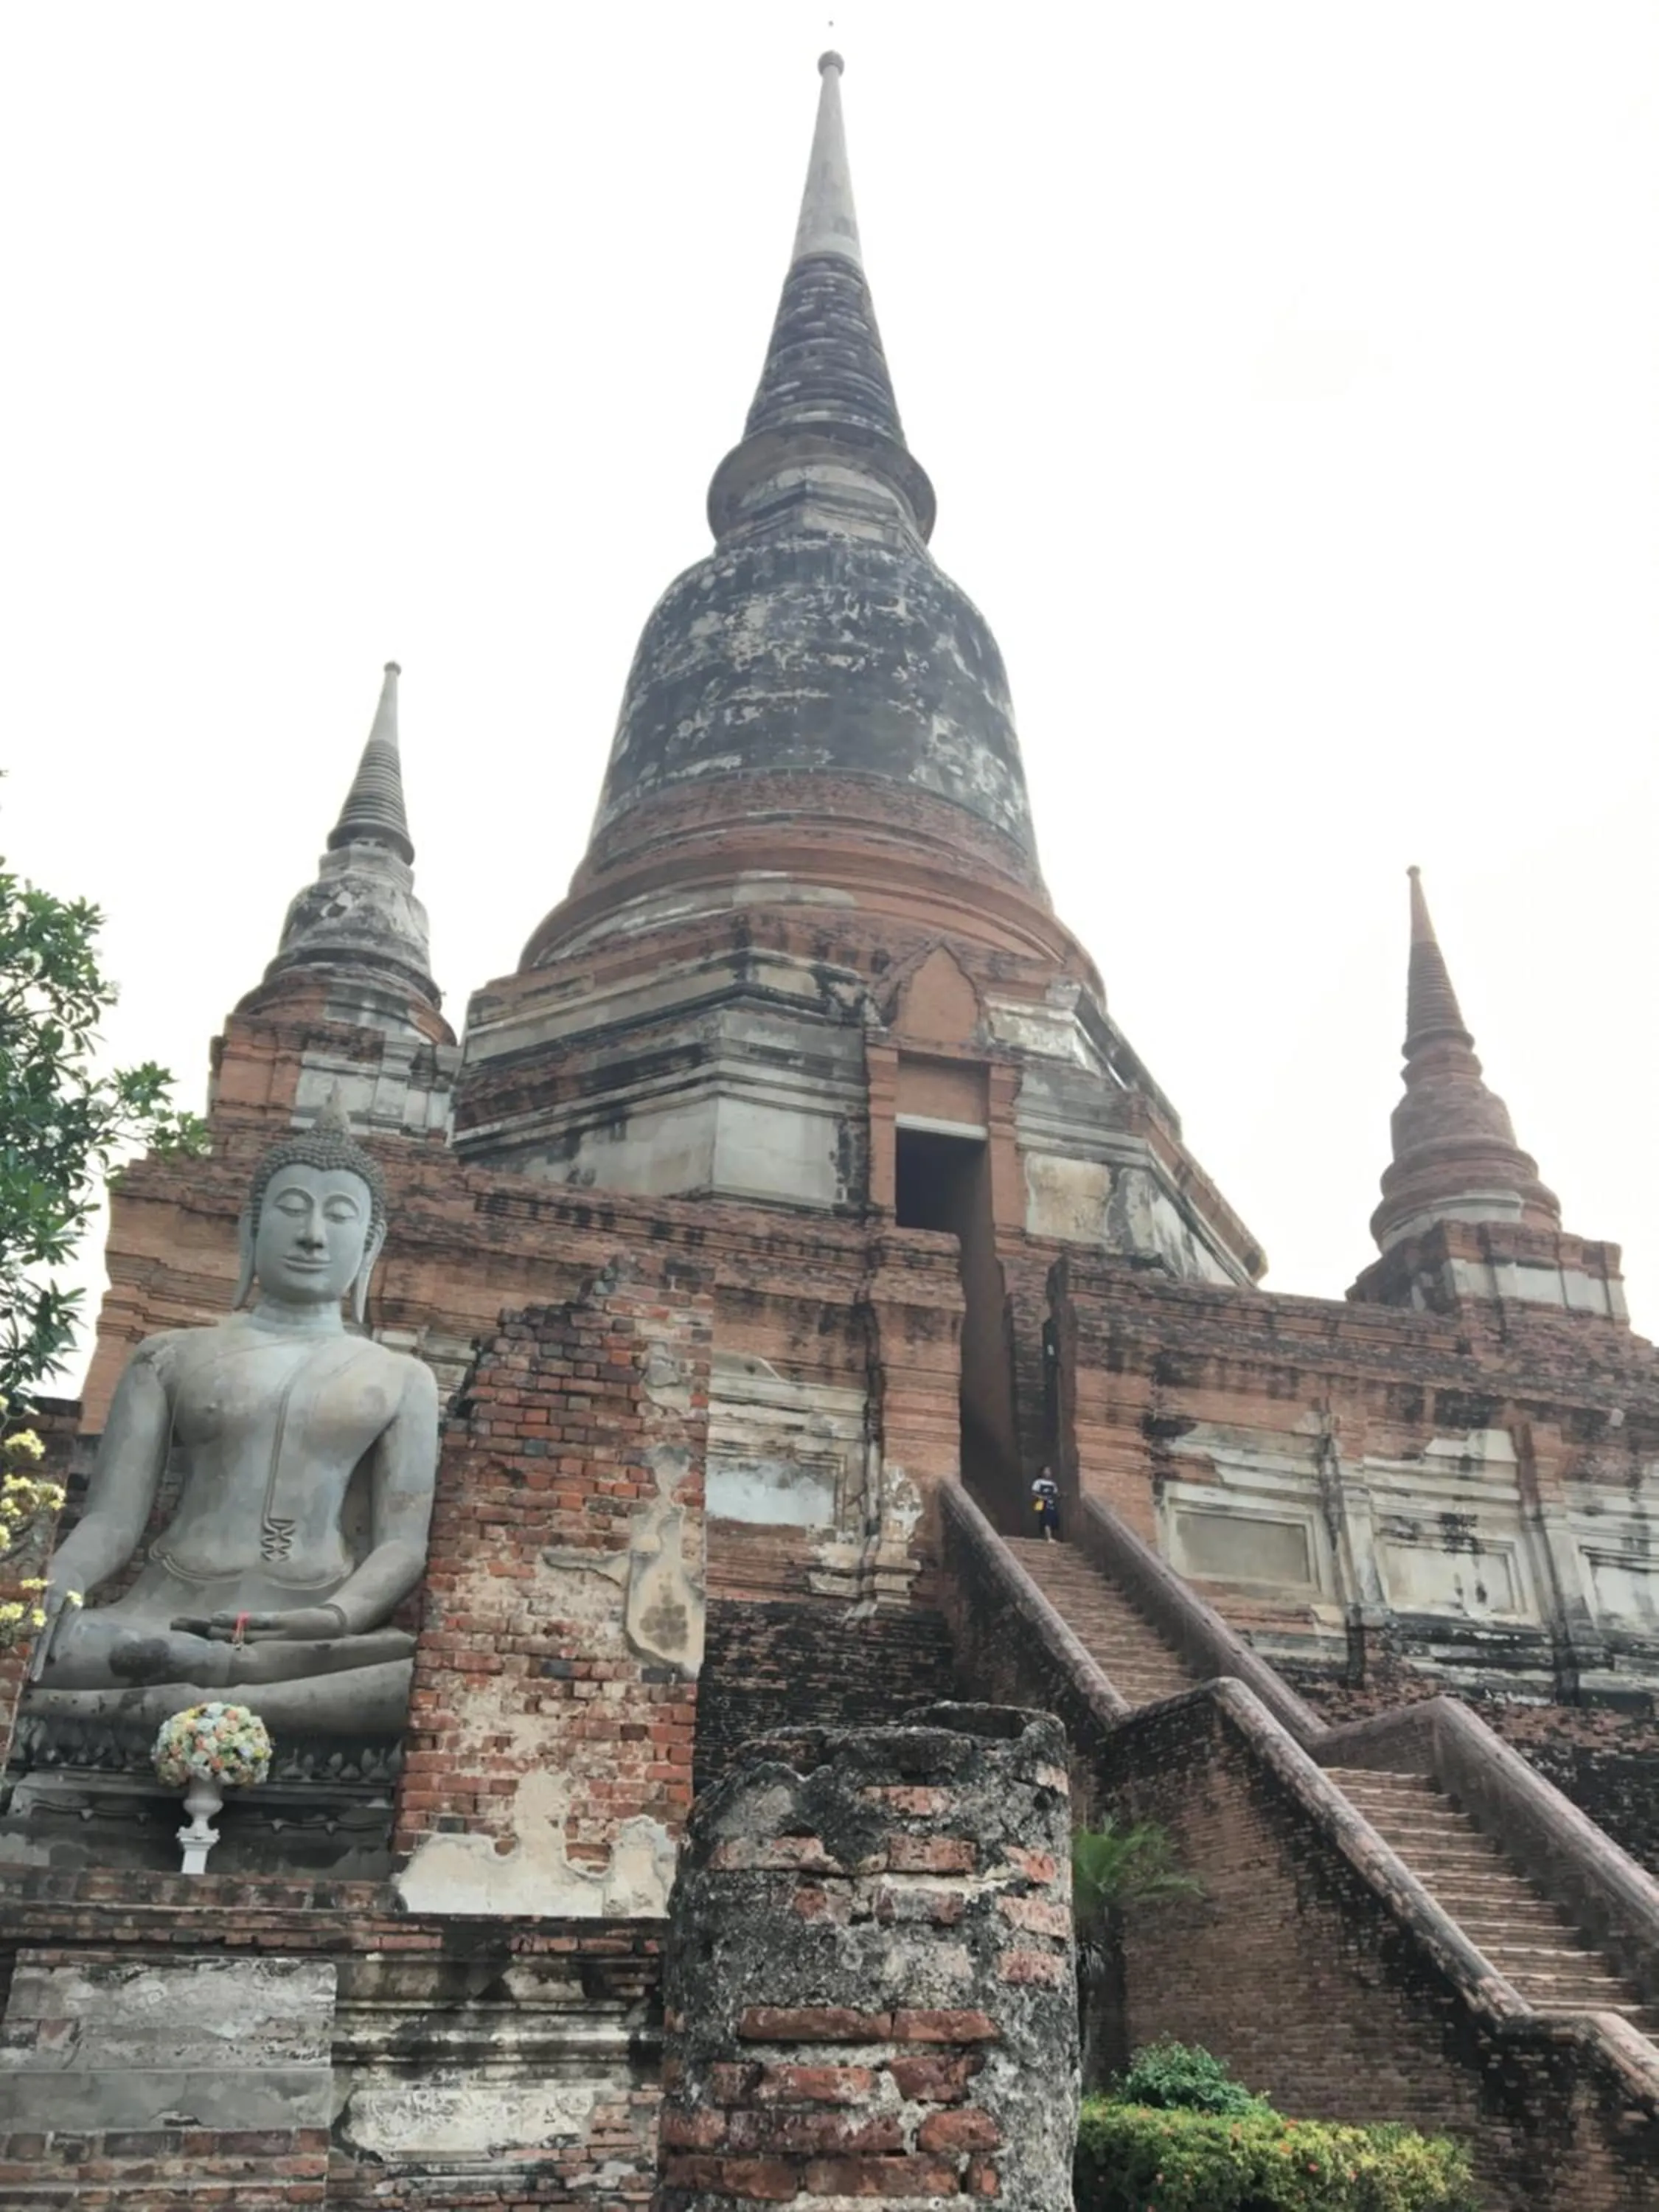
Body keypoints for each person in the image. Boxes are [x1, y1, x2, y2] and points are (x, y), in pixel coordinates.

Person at [1030, 1464, 1060, 1540]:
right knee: (1046, 1520)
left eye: (1049, 1471)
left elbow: (1056, 1494)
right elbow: (1034, 1493)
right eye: (1046, 1471)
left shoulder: (1053, 1483)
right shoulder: (1038, 1482)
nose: (1048, 1472)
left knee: (1052, 1519)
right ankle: (1049, 1537)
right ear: (1042, 1472)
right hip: (1042, 1503)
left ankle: (1047, 1537)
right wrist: (1041, 1497)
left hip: (1051, 1504)